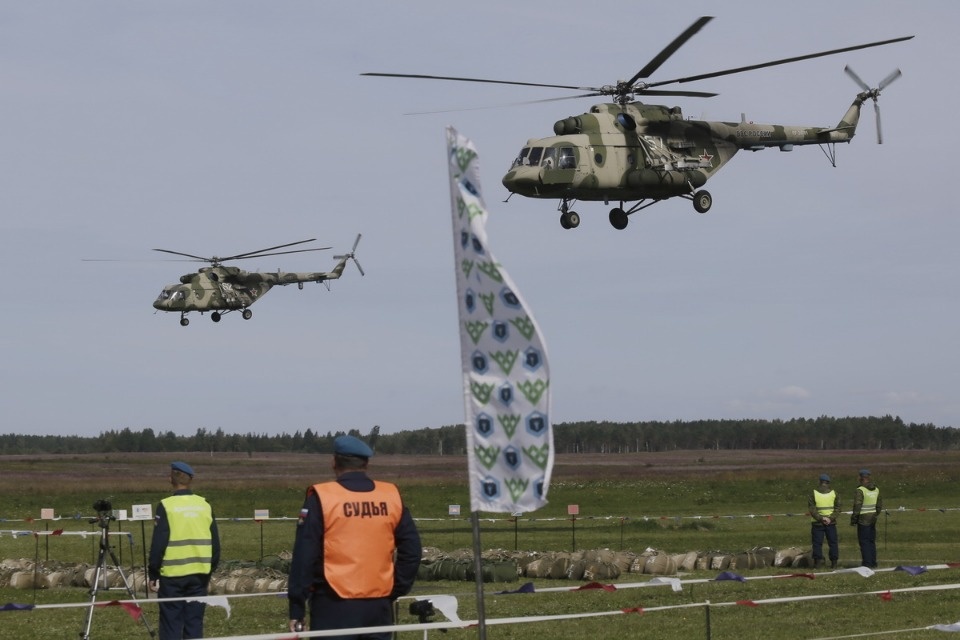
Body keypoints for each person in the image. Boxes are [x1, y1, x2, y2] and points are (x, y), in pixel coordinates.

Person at [288, 435, 422, 638]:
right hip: (379, 604)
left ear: (334, 462)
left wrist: (297, 606)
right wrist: (395, 589)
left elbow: (304, 556)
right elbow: (412, 550)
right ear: (366, 463)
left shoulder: (322, 498)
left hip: (332, 603)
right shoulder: (390, 495)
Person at [149, 461, 221, 640]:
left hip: (173, 575)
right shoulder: (205, 504)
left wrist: (153, 573)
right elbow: (215, 543)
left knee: (171, 622)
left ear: (170, 480)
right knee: (194, 622)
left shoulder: (166, 506)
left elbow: (159, 543)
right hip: (199, 574)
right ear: (191, 480)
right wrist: (210, 568)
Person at [850, 469, 883, 568]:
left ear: (861, 478)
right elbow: (879, 505)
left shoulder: (860, 490)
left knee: (864, 542)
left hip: (863, 519)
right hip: (873, 518)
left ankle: (867, 563)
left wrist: (854, 519)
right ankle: (873, 562)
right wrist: (875, 513)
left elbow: (857, 506)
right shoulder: (876, 489)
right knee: (871, 541)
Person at [808, 473, 840, 569]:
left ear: (820, 482)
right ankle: (834, 563)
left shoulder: (813, 493)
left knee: (817, 543)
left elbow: (812, 509)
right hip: (831, 523)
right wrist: (830, 518)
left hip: (817, 523)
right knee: (833, 543)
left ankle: (817, 563)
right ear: (828, 483)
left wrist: (821, 518)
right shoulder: (834, 493)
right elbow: (838, 508)